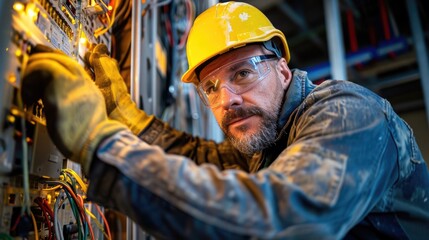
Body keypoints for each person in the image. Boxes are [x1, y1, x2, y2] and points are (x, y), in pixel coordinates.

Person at [21, 1, 429, 239]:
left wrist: (100, 144)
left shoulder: (348, 112)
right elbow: (202, 159)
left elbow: (286, 219)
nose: (227, 100)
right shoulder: (268, 140)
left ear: (283, 70)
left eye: (243, 73)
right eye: (210, 88)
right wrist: (132, 122)